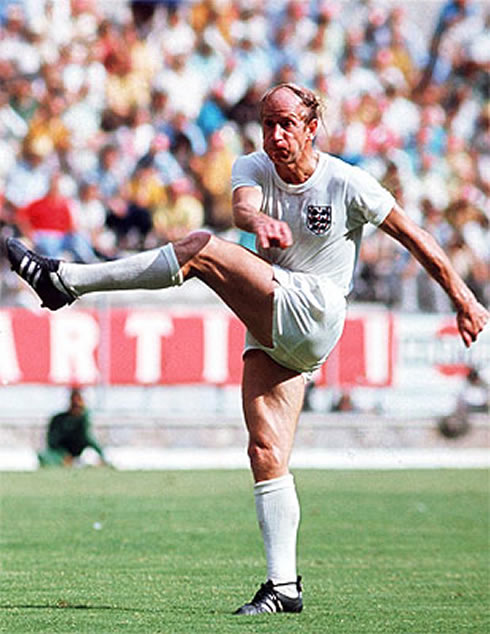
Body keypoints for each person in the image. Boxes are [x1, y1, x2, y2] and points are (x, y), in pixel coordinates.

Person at [5, 83, 488, 615]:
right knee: (265, 452)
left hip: (317, 306)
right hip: (278, 319)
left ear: (311, 127)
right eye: (267, 124)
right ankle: (284, 587)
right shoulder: (254, 167)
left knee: (201, 251)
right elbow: (242, 209)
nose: (276, 135)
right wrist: (260, 223)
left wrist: (463, 299)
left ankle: (65, 281)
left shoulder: (347, 182)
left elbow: (413, 235)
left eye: (287, 124)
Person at [38, 387, 109, 467]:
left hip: (76, 457)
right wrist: (64, 455)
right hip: (58, 455)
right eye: (75, 404)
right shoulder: (58, 420)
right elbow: (52, 442)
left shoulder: (83, 420)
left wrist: (102, 456)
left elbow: (88, 439)